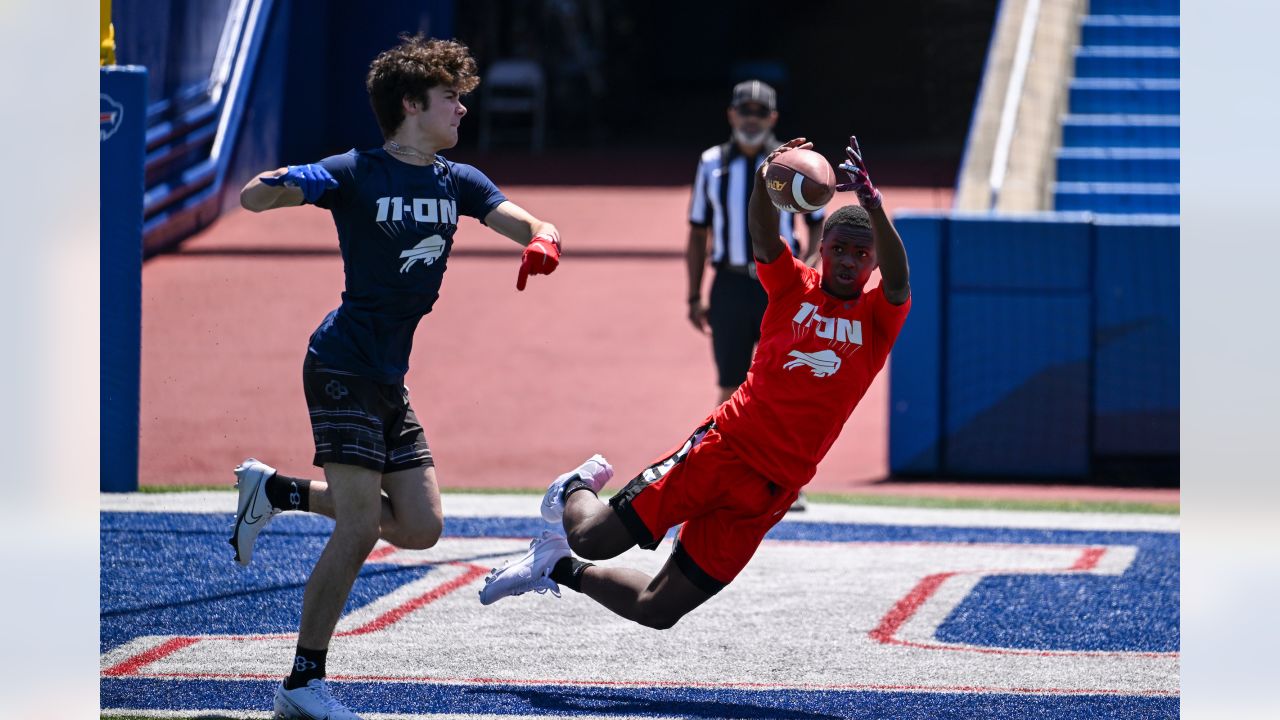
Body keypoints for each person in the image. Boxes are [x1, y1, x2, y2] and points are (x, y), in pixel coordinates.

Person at [230, 35, 563, 720]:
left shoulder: (458, 182)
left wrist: (541, 241)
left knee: (419, 526)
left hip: (386, 376)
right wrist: (293, 182)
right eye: (451, 98)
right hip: (341, 364)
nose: (463, 109)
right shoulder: (356, 171)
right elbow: (250, 200)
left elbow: (528, 219)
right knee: (357, 529)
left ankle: (276, 491)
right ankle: (302, 683)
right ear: (412, 105)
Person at [477, 136, 910, 630]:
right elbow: (766, 240)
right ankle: (574, 488)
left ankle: (554, 567)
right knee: (592, 538)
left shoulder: (877, 318)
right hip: (724, 450)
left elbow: (898, 283)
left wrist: (873, 206)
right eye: (839, 250)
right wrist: (761, 184)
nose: (850, 260)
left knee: (657, 610)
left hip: (773, 491)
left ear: (873, 261)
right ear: (822, 250)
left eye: (861, 254)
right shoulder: (794, 286)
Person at [689, 80, 824, 512]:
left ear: (773, 119)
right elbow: (698, 230)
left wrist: (812, 267)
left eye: (759, 112)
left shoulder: (792, 164)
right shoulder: (711, 162)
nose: (751, 119)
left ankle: (785, 480)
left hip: (779, 287)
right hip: (728, 282)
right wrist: (693, 295)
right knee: (731, 383)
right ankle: (720, 473)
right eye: (744, 110)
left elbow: (819, 219)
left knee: (780, 383)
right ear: (731, 115)